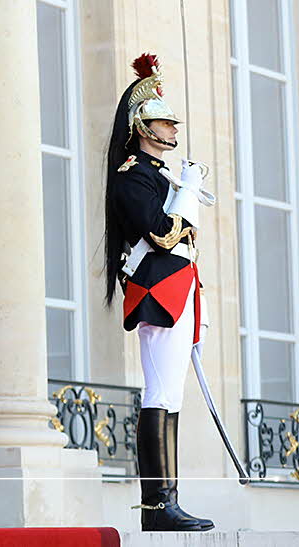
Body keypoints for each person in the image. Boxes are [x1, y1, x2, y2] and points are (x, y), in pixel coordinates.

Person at [103, 53, 214, 533]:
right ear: (143, 128)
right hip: (159, 290)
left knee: (173, 395)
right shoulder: (133, 174)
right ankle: (156, 505)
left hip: (181, 288)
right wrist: (187, 191)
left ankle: (168, 499)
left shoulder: (159, 175)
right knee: (160, 391)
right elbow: (163, 233)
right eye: (164, 123)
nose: (172, 130)